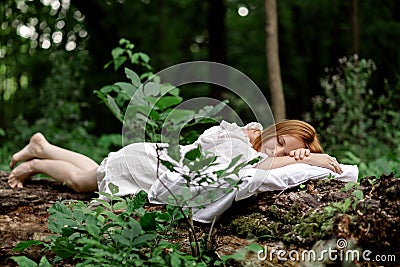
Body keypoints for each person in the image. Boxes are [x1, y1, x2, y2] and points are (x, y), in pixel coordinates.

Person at [8, 119, 343, 193]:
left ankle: (43, 147)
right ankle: (36, 164)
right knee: (85, 182)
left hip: (155, 160)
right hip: (151, 166)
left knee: (98, 170)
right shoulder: (241, 140)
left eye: (288, 150)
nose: (279, 150)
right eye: (281, 140)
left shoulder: (252, 141)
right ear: (274, 129)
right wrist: (307, 159)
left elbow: (270, 163)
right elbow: (258, 166)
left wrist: (304, 154)